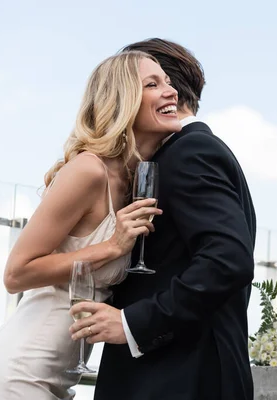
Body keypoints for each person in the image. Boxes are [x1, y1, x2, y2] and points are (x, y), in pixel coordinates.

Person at [0, 50, 182, 399]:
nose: (171, 91)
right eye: (153, 84)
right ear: (124, 99)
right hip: (21, 372)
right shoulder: (89, 170)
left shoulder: (130, 181)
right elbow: (16, 274)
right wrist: (113, 246)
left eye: (169, 82)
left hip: (60, 375)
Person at [70, 38, 257, 400]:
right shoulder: (169, 156)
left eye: (155, 81)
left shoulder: (190, 151)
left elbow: (227, 259)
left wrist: (131, 323)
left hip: (180, 377)